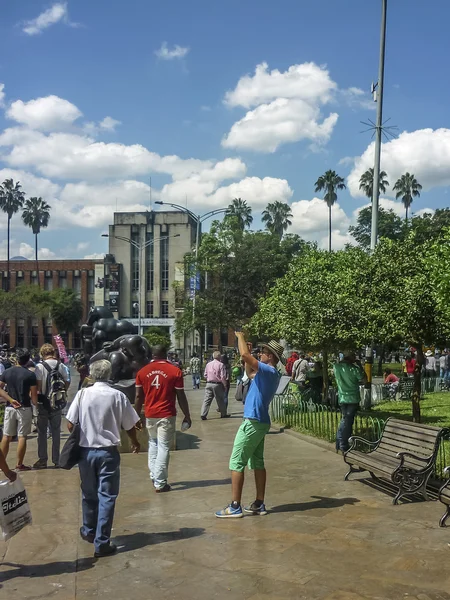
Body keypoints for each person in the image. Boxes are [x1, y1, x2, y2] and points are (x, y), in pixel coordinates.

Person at [66, 359, 141, 558]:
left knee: (88, 493)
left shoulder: (82, 394)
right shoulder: (118, 396)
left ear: (92, 374)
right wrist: (134, 441)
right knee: (107, 496)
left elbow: (70, 423)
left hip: (86, 451)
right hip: (108, 452)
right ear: (109, 374)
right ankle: (102, 541)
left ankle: (89, 531)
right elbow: (130, 424)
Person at [215, 334, 283, 518]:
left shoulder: (268, 371)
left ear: (271, 357)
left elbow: (245, 356)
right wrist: (247, 351)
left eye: (264, 352)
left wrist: (240, 337)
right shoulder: (269, 374)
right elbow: (249, 371)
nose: (260, 354)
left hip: (252, 421)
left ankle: (235, 506)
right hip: (260, 421)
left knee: (236, 462)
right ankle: (259, 503)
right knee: (257, 462)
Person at [135, 345, 192, 493]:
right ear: (165, 355)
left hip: (150, 414)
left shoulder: (142, 372)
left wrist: (135, 416)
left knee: (153, 443)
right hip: (166, 414)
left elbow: (138, 397)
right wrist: (187, 415)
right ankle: (160, 482)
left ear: (152, 355)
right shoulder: (175, 371)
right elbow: (181, 396)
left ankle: (154, 475)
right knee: (163, 447)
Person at [33, 344, 70, 469]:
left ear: (42, 353)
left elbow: (37, 387)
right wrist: (61, 393)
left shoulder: (39, 367)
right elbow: (67, 381)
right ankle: (57, 459)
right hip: (57, 402)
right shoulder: (61, 366)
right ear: (53, 352)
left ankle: (43, 460)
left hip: (43, 402)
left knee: (42, 432)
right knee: (56, 431)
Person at [0, 348, 38, 471]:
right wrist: (36, 405)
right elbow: (33, 396)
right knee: (22, 436)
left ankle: (2, 464)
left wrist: (10, 399)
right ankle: (19, 464)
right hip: (24, 407)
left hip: (10, 407)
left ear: (16, 359)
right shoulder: (30, 375)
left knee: (6, 436)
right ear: (27, 360)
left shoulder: (7, 372)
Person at [334, 351, 367, 453]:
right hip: (353, 398)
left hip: (342, 398)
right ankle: (342, 443)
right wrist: (360, 365)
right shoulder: (355, 369)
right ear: (351, 358)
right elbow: (365, 380)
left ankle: (339, 442)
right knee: (347, 421)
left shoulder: (337, 367)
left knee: (346, 420)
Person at [201, 350, 229, 420]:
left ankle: (203, 414)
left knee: (207, 400)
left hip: (208, 384)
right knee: (220, 399)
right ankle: (223, 413)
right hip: (217, 384)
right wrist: (225, 385)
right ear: (219, 357)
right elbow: (223, 376)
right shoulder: (221, 365)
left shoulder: (208, 364)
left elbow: (205, 375)